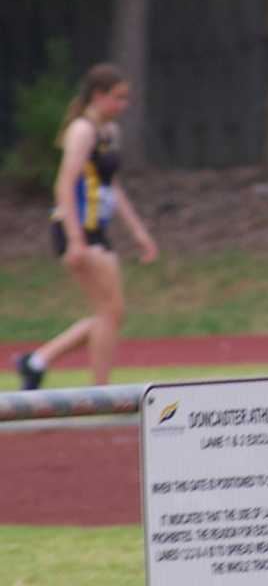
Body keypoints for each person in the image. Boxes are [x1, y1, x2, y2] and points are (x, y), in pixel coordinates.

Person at [14, 63, 158, 390]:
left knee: (109, 313)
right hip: (76, 229)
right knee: (111, 312)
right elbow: (63, 184)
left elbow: (112, 187)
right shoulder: (82, 131)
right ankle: (98, 390)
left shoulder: (110, 132)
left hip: (98, 230)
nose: (124, 105)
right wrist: (75, 239)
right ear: (98, 95)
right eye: (118, 98)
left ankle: (36, 362)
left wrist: (138, 232)